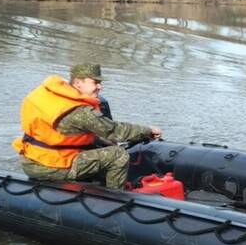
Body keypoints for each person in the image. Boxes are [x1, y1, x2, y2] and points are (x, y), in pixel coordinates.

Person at [12, 63, 161, 189]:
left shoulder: (54, 98)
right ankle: (115, 200)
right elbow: (116, 131)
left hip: (32, 160)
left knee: (101, 144)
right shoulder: (80, 112)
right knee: (118, 154)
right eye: (95, 82)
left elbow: (69, 135)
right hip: (51, 166)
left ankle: (95, 183)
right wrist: (148, 130)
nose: (100, 87)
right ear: (78, 83)